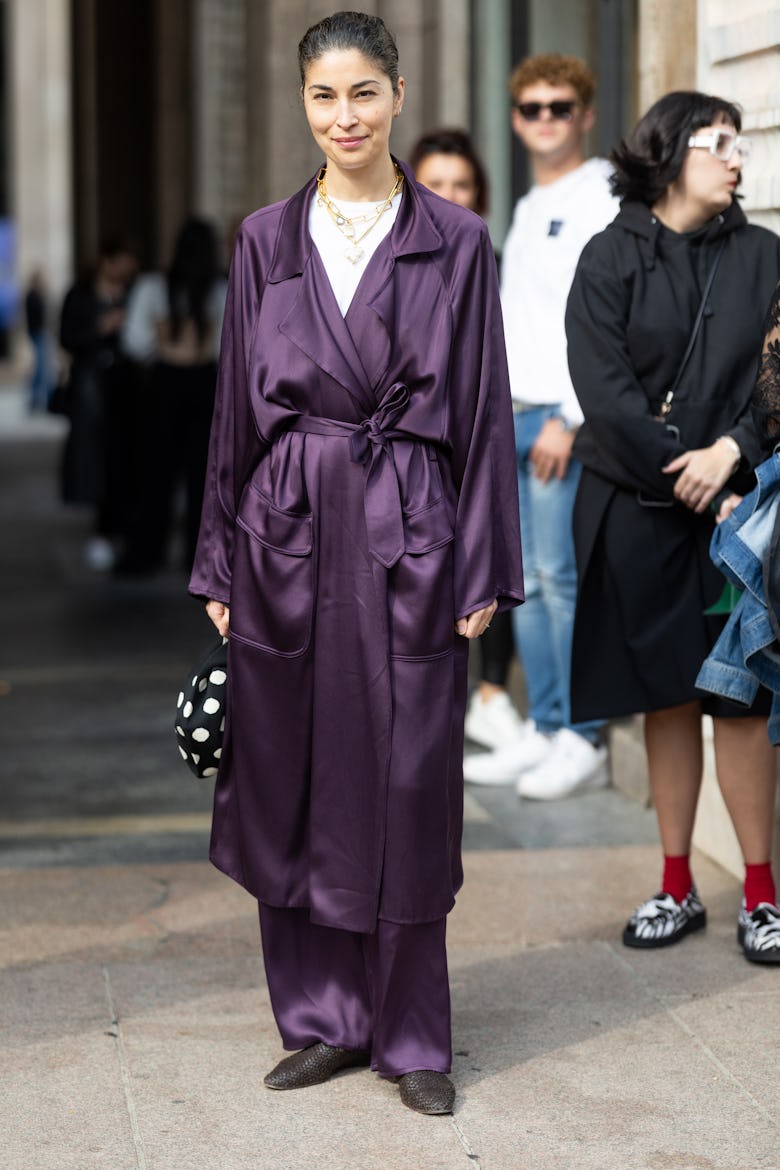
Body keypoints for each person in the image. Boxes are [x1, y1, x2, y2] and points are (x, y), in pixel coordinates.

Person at [189, 11, 523, 1116]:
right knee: (289, 771)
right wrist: (219, 566)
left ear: (399, 93)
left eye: (365, 94)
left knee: (413, 780)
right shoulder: (262, 243)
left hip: (410, 531)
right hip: (286, 531)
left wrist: (484, 563)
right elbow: (235, 410)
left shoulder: (458, 242)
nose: (346, 118)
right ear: (303, 105)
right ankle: (323, 1020)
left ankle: (415, 1034)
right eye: (326, 97)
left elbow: (478, 411)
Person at [564, 90, 780, 962]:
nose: (737, 158)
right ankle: (677, 884)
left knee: (741, 696)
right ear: (669, 152)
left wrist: (731, 454)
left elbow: (778, 380)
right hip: (640, 511)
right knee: (667, 698)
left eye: (740, 144)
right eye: (718, 143)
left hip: (741, 514)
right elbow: (604, 394)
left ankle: (761, 895)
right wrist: (682, 471)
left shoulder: (766, 256)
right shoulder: (608, 258)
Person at [463, 54, 618, 797]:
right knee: (524, 582)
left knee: (562, 579)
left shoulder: (603, 196)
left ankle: (582, 734)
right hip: (512, 415)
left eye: (561, 107)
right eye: (532, 108)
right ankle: (546, 726)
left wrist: (572, 415)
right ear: (517, 118)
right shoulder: (527, 205)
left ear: (586, 114)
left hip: (562, 421)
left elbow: (610, 322)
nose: (546, 120)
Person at [410, 127, 523, 751]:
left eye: (462, 185)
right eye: (436, 185)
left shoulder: (487, 257)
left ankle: (492, 691)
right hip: (412, 459)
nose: (450, 197)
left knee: (491, 560)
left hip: (477, 437)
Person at [119, 217, 227, 574]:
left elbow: (133, 342)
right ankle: (199, 559)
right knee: (204, 476)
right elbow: (231, 345)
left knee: (154, 474)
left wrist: (160, 344)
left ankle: (146, 551)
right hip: (205, 384)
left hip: (164, 383)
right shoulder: (221, 290)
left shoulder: (154, 286)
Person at [59, 238, 138, 571]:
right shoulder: (80, 295)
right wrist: (101, 328)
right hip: (92, 388)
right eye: (122, 260)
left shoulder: (132, 293)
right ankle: (104, 527)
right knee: (95, 457)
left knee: (123, 457)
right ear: (107, 262)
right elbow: (67, 337)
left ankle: (120, 524)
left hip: (125, 389)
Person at [24, 269, 54, 412]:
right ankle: (36, 398)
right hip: (37, 333)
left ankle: (41, 398)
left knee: (43, 367)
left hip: (40, 333)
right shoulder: (32, 296)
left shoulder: (37, 295)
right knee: (41, 367)